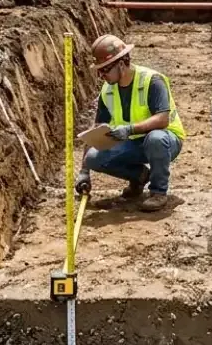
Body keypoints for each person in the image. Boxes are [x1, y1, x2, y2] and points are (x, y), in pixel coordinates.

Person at [75, 34, 185, 212]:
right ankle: (140, 176)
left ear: (120, 63)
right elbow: (97, 130)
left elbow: (163, 119)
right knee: (94, 158)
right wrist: (84, 171)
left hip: (166, 141)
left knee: (155, 139)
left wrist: (129, 129)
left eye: (104, 70)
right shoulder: (108, 90)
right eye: (98, 71)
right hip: (133, 142)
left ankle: (158, 192)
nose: (101, 75)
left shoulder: (152, 80)